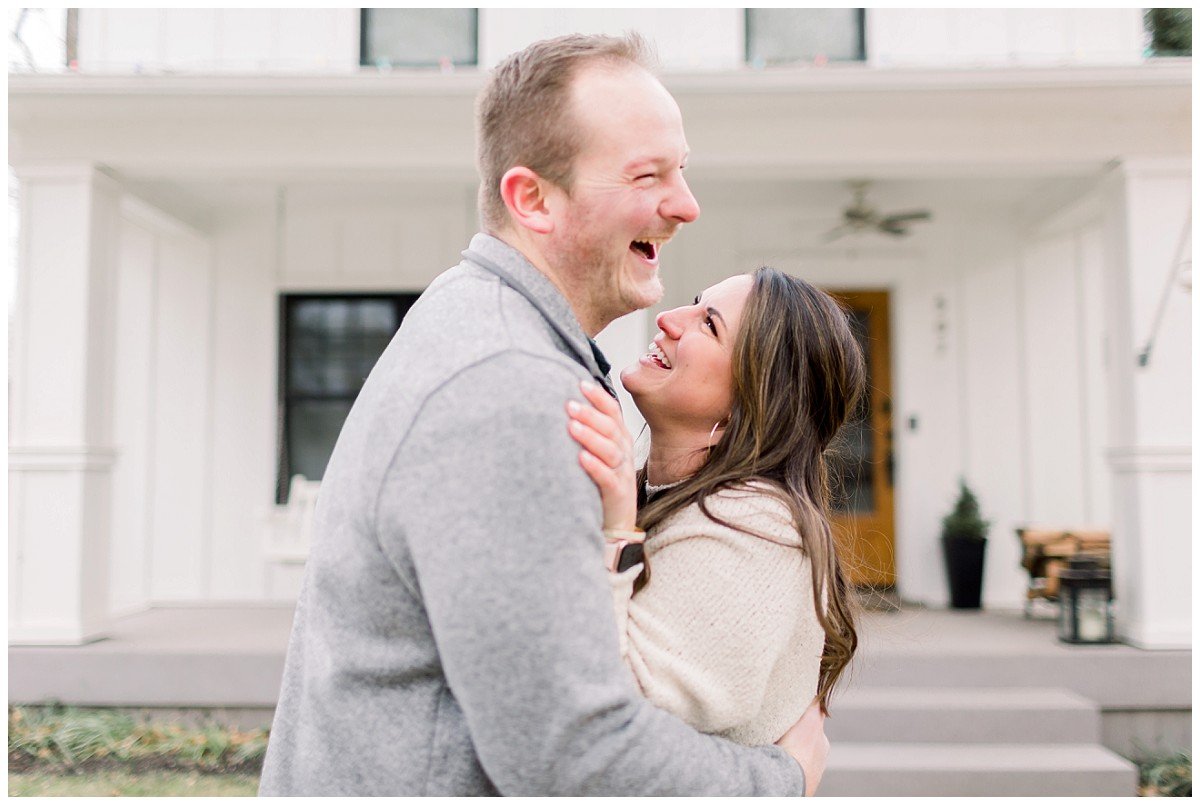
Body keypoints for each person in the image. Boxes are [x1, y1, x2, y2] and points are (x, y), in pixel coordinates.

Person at [259, 33, 828, 796]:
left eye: (681, 170)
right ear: (533, 198)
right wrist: (781, 778)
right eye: (647, 174)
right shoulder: (509, 388)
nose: (685, 205)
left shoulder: (483, 328)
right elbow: (572, 753)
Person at [566, 268, 865, 745]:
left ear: (752, 404)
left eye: (709, 325)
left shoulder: (757, 526)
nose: (667, 318)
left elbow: (611, 708)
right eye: (695, 302)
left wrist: (616, 532)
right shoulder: (666, 496)